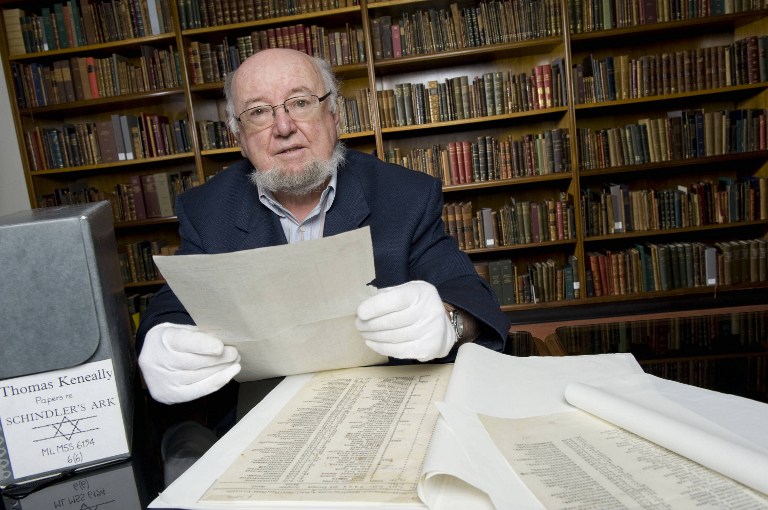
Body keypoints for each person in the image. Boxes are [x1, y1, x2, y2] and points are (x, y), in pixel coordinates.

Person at [135, 48, 510, 482]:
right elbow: (174, 303)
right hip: (261, 436)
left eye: (300, 102)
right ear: (238, 135)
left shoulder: (404, 195)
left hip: (390, 427)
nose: (283, 126)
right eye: (258, 112)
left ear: (333, 113)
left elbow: (470, 296)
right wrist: (159, 340)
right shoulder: (207, 209)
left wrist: (449, 320)